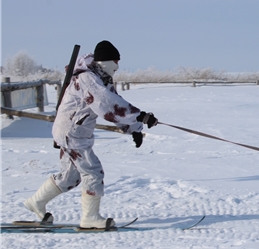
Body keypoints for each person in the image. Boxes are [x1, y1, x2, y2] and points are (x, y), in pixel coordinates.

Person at [23, 40, 158, 229]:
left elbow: (114, 103)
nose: (118, 66)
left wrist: (134, 128)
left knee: (70, 177)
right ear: (105, 62)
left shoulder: (102, 79)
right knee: (93, 172)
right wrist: (141, 116)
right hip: (72, 132)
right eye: (116, 61)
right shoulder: (87, 78)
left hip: (75, 132)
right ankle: (90, 218)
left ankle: (35, 202)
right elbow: (106, 105)